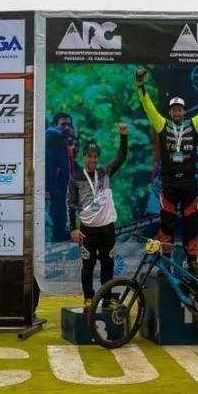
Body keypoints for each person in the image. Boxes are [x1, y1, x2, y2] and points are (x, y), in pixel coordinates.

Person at [136, 65, 198, 268]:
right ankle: (166, 261)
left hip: (188, 183)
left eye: (180, 109)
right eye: (174, 109)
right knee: (167, 223)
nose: (177, 112)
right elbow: (148, 107)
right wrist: (140, 85)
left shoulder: (194, 123)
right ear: (170, 112)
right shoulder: (161, 124)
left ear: (184, 111)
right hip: (169, 183)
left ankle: (192, 259)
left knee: (191, 223)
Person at [68, 123, 128, 305]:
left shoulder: (105, 172)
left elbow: (121, 157)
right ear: (84, 157)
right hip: (87, 230)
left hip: (107, 228)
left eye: (95, 157)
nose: (93, 160)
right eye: (89, 157)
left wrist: (124, 136)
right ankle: (88, 297)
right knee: (88, 264)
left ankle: (107, 297)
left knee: (108, 265)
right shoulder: (76, 178)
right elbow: (70, 204)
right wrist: (73, 229)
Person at [46, 112, 78, 242]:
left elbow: (69, 166)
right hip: (54, 190)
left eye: (69, 125)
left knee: (62, 221)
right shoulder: (52, 136)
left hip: (62, 190)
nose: (66, 127)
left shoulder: (64, 142)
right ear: (55, 125)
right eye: (62, 124)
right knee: (56, 221)